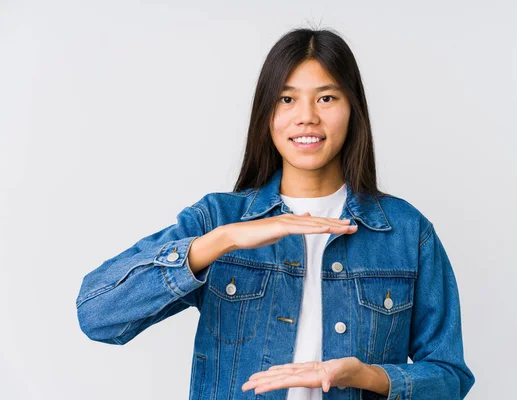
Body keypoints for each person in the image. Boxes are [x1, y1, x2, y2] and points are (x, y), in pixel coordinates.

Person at [76, 27, 475, 400]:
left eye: (326, 98)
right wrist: (225, 239)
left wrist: (366, 376)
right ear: (266, 113)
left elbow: (448, 374)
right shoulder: (218, 218)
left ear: (353, 109)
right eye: (287, 99)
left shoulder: (406, 231)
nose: (307, 116)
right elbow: (98, 314)